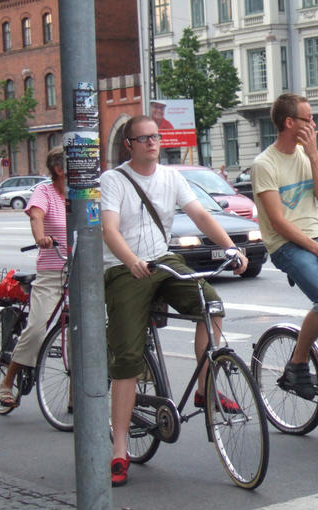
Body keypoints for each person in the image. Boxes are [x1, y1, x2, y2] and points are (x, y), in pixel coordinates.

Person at [101, 115, 249, 487]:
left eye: (156, 137)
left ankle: (204, 390)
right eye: (144, 138)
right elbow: (109, 229)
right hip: (124, 268)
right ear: (129, 145)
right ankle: (119, 449)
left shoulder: (170, 177)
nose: (153, 143)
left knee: (211, 305)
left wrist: (231, 249)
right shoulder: (113, 180)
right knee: (128, 359)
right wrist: (129, 260)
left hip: (161, 260)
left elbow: (199, 214)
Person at [251, 93, 318, 400]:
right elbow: (278, 223)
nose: (313, 124)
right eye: (308, 119)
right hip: (286, 246)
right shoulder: (265, 164)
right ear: (290, 123)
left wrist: (314, 156)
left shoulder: (305, 156)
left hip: (317, 238)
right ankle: (298, 364)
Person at [0, 147, 67, 407]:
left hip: (81, 271)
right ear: (59, 169)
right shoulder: (45, 192)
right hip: (52, 270)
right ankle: (7, 382)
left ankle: (75, 395)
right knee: (37, 328)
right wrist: (41, 238)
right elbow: (36, 214)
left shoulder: (80, 195)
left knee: (82, 331)